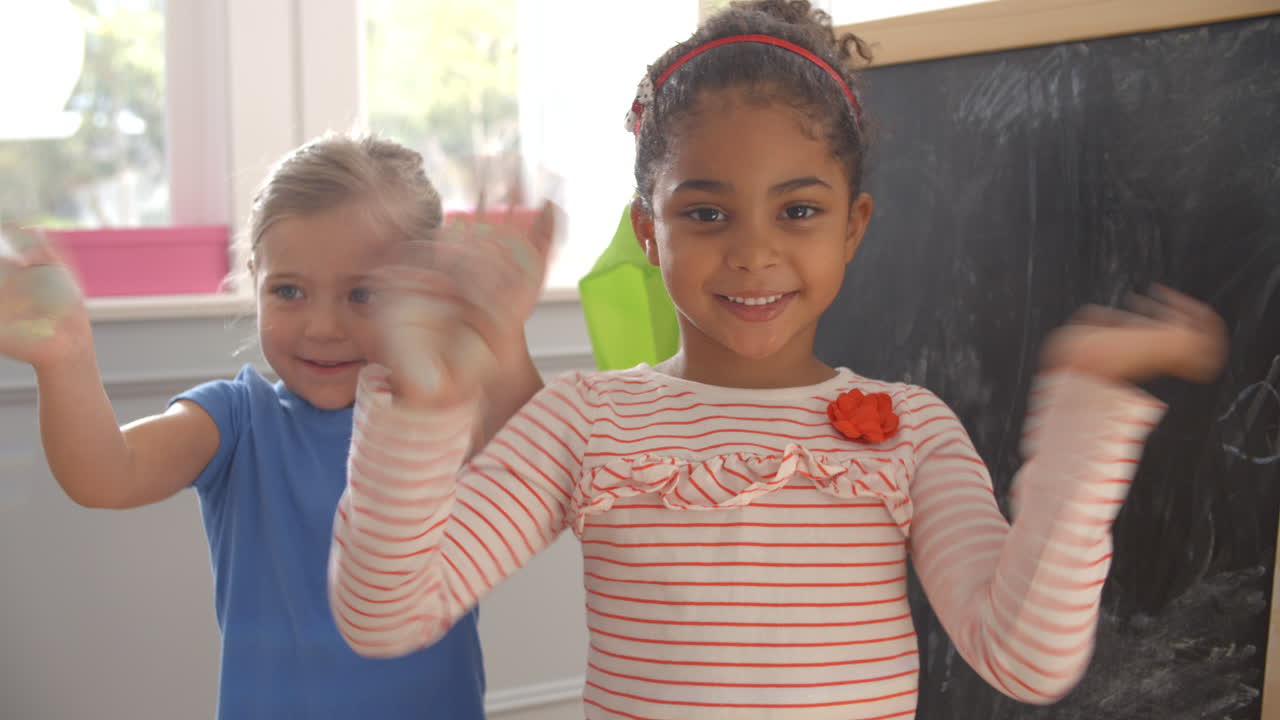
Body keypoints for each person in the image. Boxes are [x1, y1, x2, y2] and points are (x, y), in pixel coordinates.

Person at [327, 3, 1228, 718]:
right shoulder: (583, 421)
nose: (754, 252)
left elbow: (1023, 659)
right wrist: (424, 402)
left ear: (854, 226)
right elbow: (386, 616)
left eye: (796, 211)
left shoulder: (911, 430)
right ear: (650, 231)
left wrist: (1085, 429)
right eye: (707, 213)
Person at [0, 132, 544, 719]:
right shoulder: (235, 421)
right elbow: (106, 475)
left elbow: (550, 467)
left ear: (427, 287)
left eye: (362, 294)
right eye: (289, 291)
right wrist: (66, 359)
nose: (322, 327)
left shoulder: (446, 410)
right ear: (254, 277)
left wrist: (498, 328)